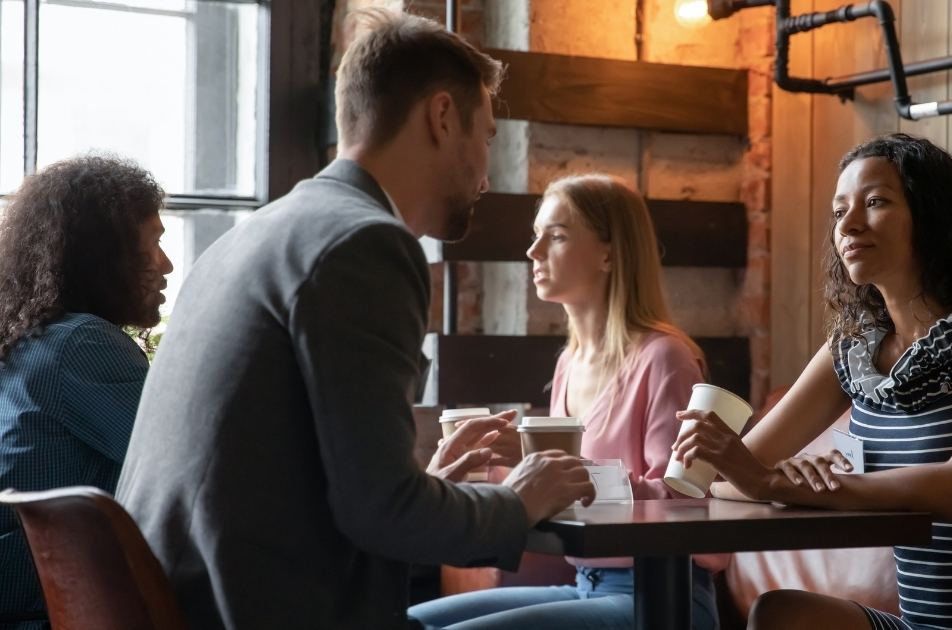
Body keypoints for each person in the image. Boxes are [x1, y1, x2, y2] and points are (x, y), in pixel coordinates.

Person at [115, 8, 594, 629]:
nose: (486, 171)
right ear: (442, 117)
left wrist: (428, 489)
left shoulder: (249, 237)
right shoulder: (365, 244)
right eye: (487, 138)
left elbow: (336, 490)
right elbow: (380, 512)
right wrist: (517, 501)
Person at [674, 133, 952, 629]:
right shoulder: (852, 349)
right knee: (781, 615)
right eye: (839, 212)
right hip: (925, 624)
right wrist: (782, 478)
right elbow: (727, 479)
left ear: (933, 216)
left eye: (875, 202)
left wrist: (774, 481)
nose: (848, 225)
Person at [409, 173, 724, 630]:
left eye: (555, 236)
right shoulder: (569, 363)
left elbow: (684, 502)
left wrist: (552, 468)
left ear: (609, 253)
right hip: (587, 585)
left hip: (665, 597)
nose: (533, 252)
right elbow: (565, 495)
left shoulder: (665, 358)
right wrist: (489, 466)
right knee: (410, 621)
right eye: (536, 235)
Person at [0, 155, 173, 628]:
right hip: (49, 612)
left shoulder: (31, 339)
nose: (167, 265)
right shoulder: (83, 344)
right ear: (103, 255)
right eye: (153, 243)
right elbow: (182, 465)